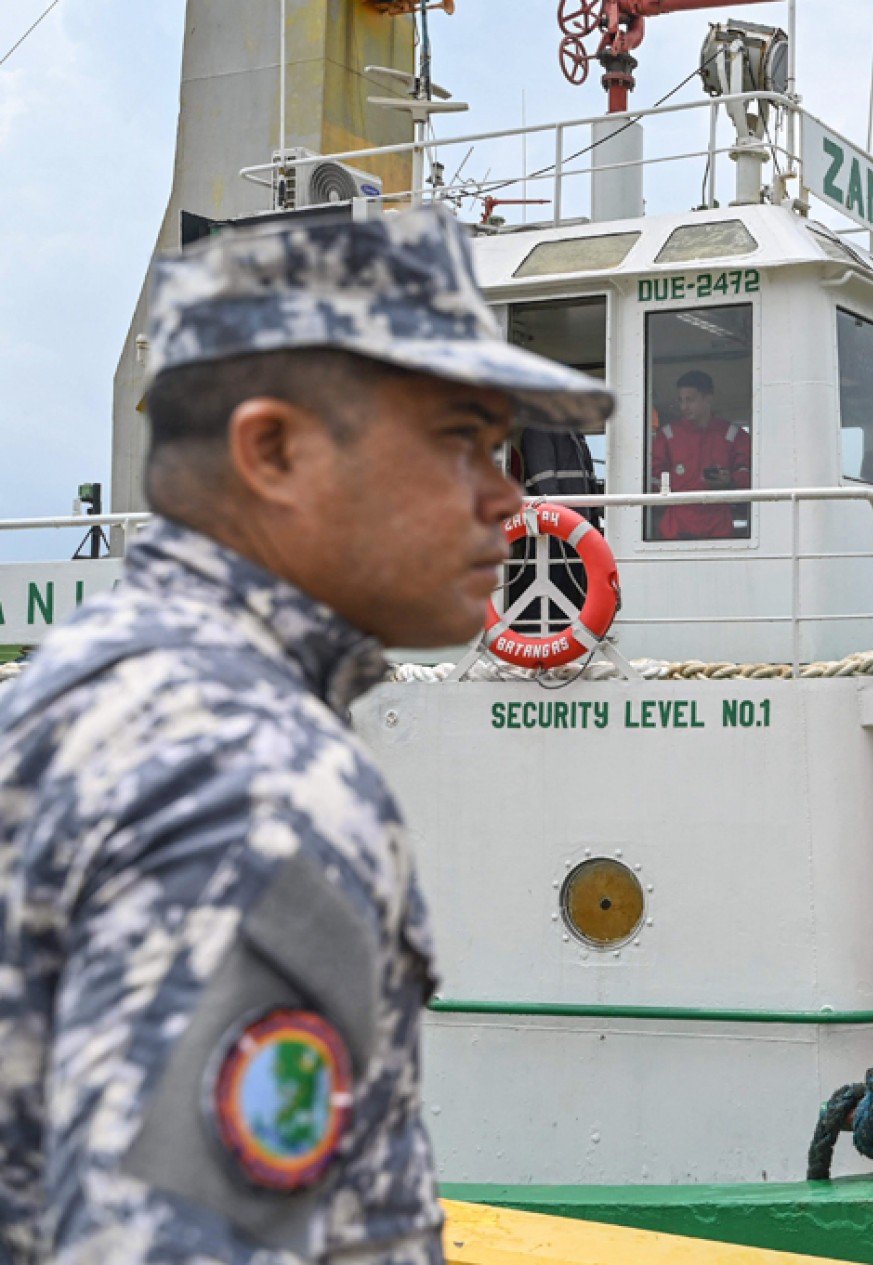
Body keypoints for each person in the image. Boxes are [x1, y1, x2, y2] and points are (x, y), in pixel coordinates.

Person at [0, 206, 611, 1262]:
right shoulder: (259, 785)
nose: (511, 500)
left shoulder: (77, 685)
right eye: (462, 439)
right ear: (273, 450)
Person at [649, 369, 753, 541]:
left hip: (719, 527)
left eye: (690, 400)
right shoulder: (667, 436)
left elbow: (748, 472)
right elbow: (653, 478)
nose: (684, 407)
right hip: (676, 528)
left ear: (708, 399)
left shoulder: (734, 435)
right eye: (681, 400)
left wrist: (730, 482)